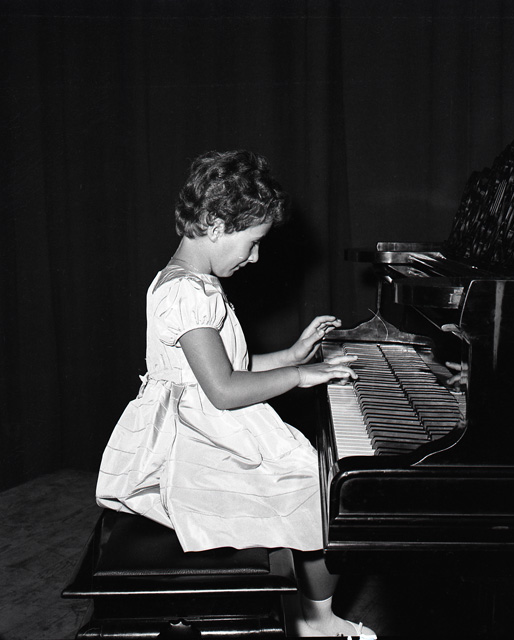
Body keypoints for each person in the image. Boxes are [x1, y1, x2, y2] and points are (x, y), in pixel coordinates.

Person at [96, 150, 377, 639]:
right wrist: (301, 376)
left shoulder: (188, 283)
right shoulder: (188, 293)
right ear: (214, 225)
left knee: (314, 481)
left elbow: (229, 369)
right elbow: (224, 390)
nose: (255, 257)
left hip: (203, 428)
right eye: (253, 243)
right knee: (327, 491)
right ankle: (316, 620)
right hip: (197, 446)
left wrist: (291, 355)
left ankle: (308, 613)